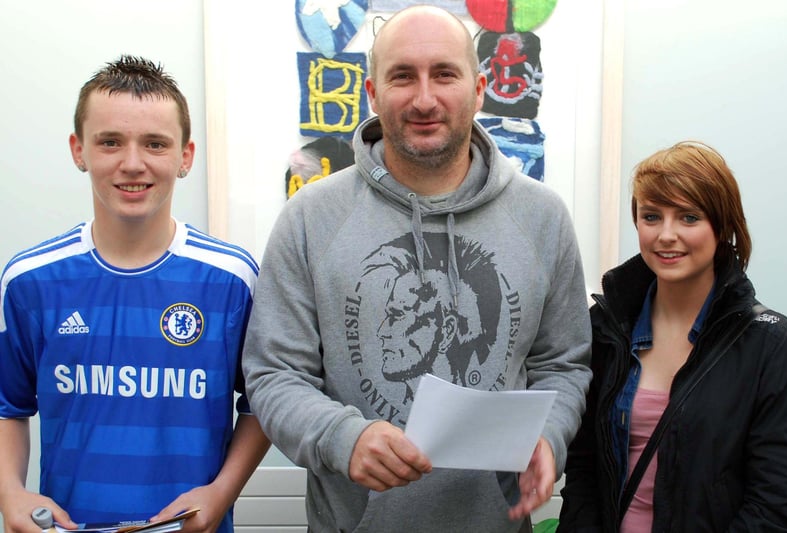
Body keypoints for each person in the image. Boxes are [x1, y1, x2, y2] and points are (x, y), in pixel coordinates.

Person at [242, 5, 592, 532]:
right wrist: (345, 437)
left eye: (444, 74)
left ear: (478, 91)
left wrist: (550, 435)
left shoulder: (543, 217)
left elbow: (563, 364)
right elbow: (273, 374)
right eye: (403, 76)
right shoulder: (309, 218)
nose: (424, 99)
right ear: (372, 93)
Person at [0, 55, 270, 533]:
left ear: (185, 156)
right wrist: (11, 495)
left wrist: (221, 492)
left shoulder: (232, 279)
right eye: (110, 142)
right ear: (78, 150)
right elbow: (8, 406)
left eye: (154, 144)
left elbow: (262, 404)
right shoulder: (30, 279)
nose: (132, 163)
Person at [558, 141, 787, 531]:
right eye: (652, 216)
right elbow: (583, 470)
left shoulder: (769, 342)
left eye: (689, 217)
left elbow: (777, 502)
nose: (666, 235)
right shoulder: (606, 327)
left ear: (723, 226)